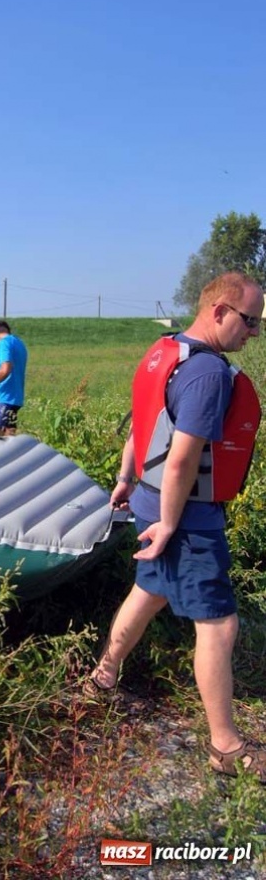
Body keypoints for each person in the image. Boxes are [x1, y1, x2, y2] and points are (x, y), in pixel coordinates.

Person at [89, 271, 266, 783]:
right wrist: (170, 523)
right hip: (185, 515)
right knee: (218, 623)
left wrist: (125, 479)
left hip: (148, 499)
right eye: (249, 321)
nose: (253, 333)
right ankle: (226, 747)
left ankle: (101, 679)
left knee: (150, 590)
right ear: (219, 312)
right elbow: (183, 457)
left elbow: (142, 423)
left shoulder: (165, 351)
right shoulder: (209, 373)